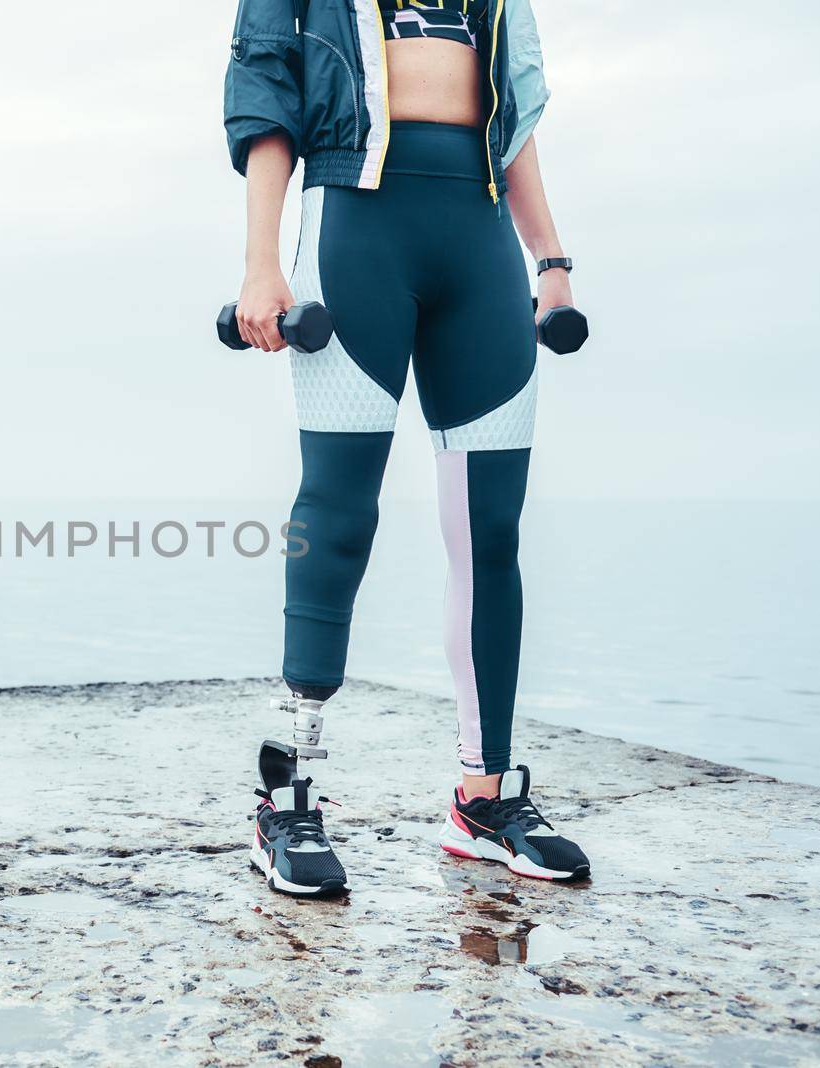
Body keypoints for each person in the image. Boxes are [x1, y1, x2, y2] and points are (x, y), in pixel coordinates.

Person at [227, 0, 591, 896]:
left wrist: (551, 263)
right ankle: (288, 798)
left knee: (490, 529)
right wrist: (261, 265)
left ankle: (482, 797)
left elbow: (514, 118)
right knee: (340, 512)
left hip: (478, 238)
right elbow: (266, 99)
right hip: (355, 226)